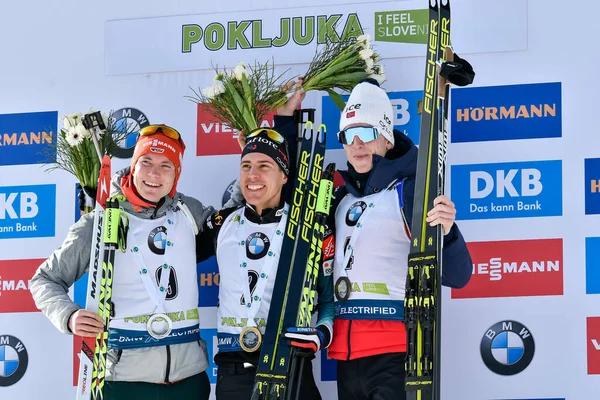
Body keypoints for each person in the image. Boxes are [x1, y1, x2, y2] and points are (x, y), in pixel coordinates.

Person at [30, 125, 228, 400]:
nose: (154, 174)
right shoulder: (100, 221)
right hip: (123, 382)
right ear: (133, 166)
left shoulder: (189, 211)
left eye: (165, 166)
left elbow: (235, 225)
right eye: (146, 162)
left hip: (189, 381)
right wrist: (69, 316)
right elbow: (44, 280)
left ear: (176, 175)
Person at [325, 79, 473, 400]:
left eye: (365, 133)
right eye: (348, 135)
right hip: (346, 356)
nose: (356, 144)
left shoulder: (409, 192)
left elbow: (458, 275)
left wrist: (447, 233)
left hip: (396, 354)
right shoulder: (340, 198)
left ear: (386, 138)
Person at [195, 89, 335, 400]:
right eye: (246, 166)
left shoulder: (307, 227)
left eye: (264, 166)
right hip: (233, 373)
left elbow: (327, 301)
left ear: (285, 176)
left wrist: (321, 335)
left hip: (291, 367)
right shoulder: (222, 223)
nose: (253, 175)